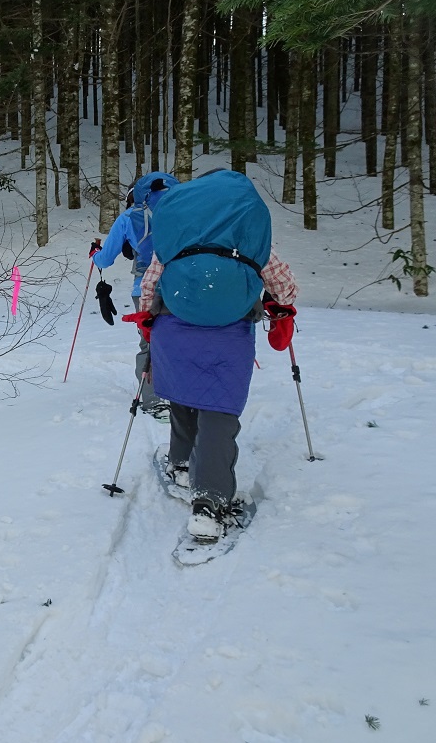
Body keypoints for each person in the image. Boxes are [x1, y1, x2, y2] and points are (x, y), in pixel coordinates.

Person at [131, 169, 298, 543]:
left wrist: (147, 323)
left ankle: (182, 464)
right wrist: (280, 309)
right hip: (230, 332)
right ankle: (209, 506)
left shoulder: (177, 232)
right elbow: (284, 284)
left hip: (175, 329)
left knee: (183, 397)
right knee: (219, 410)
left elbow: (150, 284)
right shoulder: (248, 234)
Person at [91, 172, 178, 421]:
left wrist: (94, 254)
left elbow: (105, 259)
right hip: (184, 286)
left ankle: (152, 401)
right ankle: (187, 399)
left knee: (149, 343)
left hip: (145, 289)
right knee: (185, 340)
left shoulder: (129, 216)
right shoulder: (187, 211)